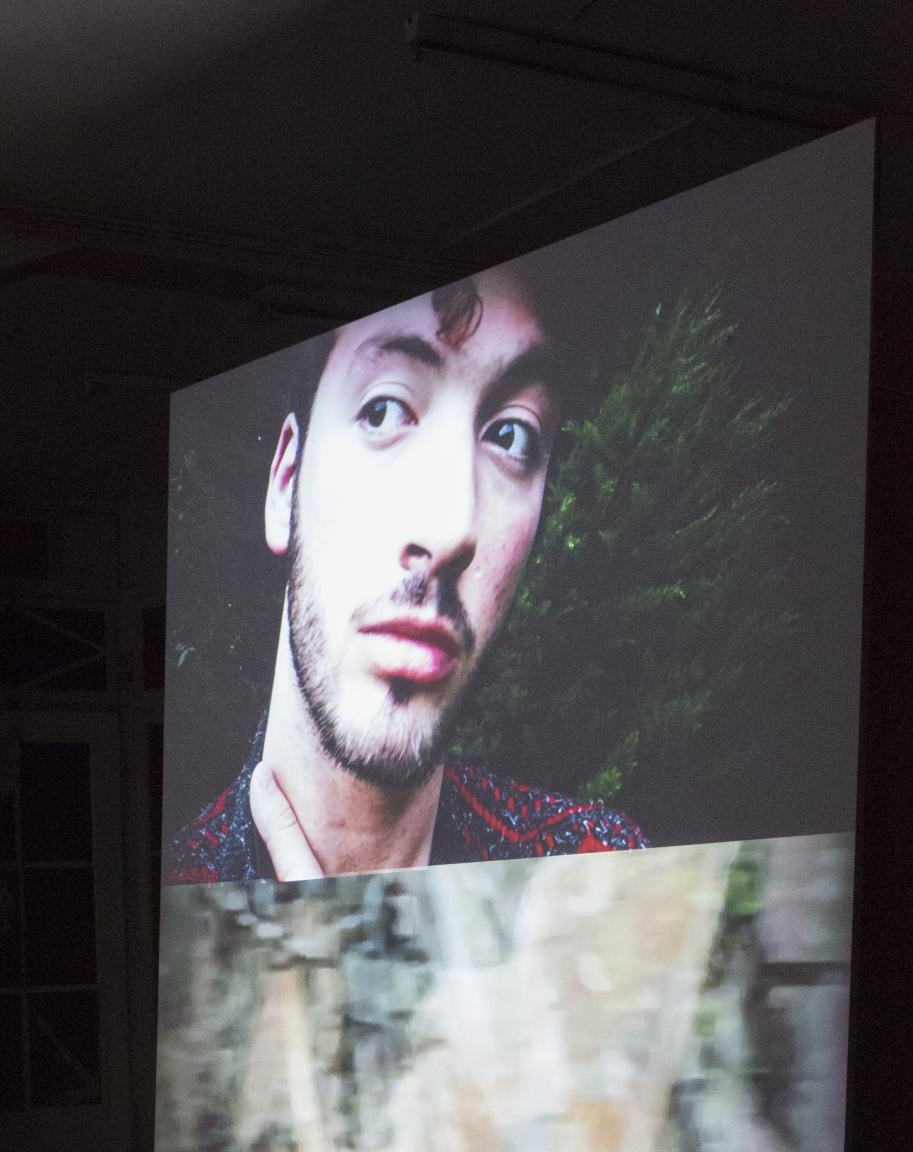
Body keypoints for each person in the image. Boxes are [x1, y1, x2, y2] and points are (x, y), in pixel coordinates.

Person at [164, 268, 645, 885]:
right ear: (286, 485)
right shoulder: (171, 896)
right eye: (384, 409)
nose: (451, 529)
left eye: (511, 434)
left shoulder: (599, 874)